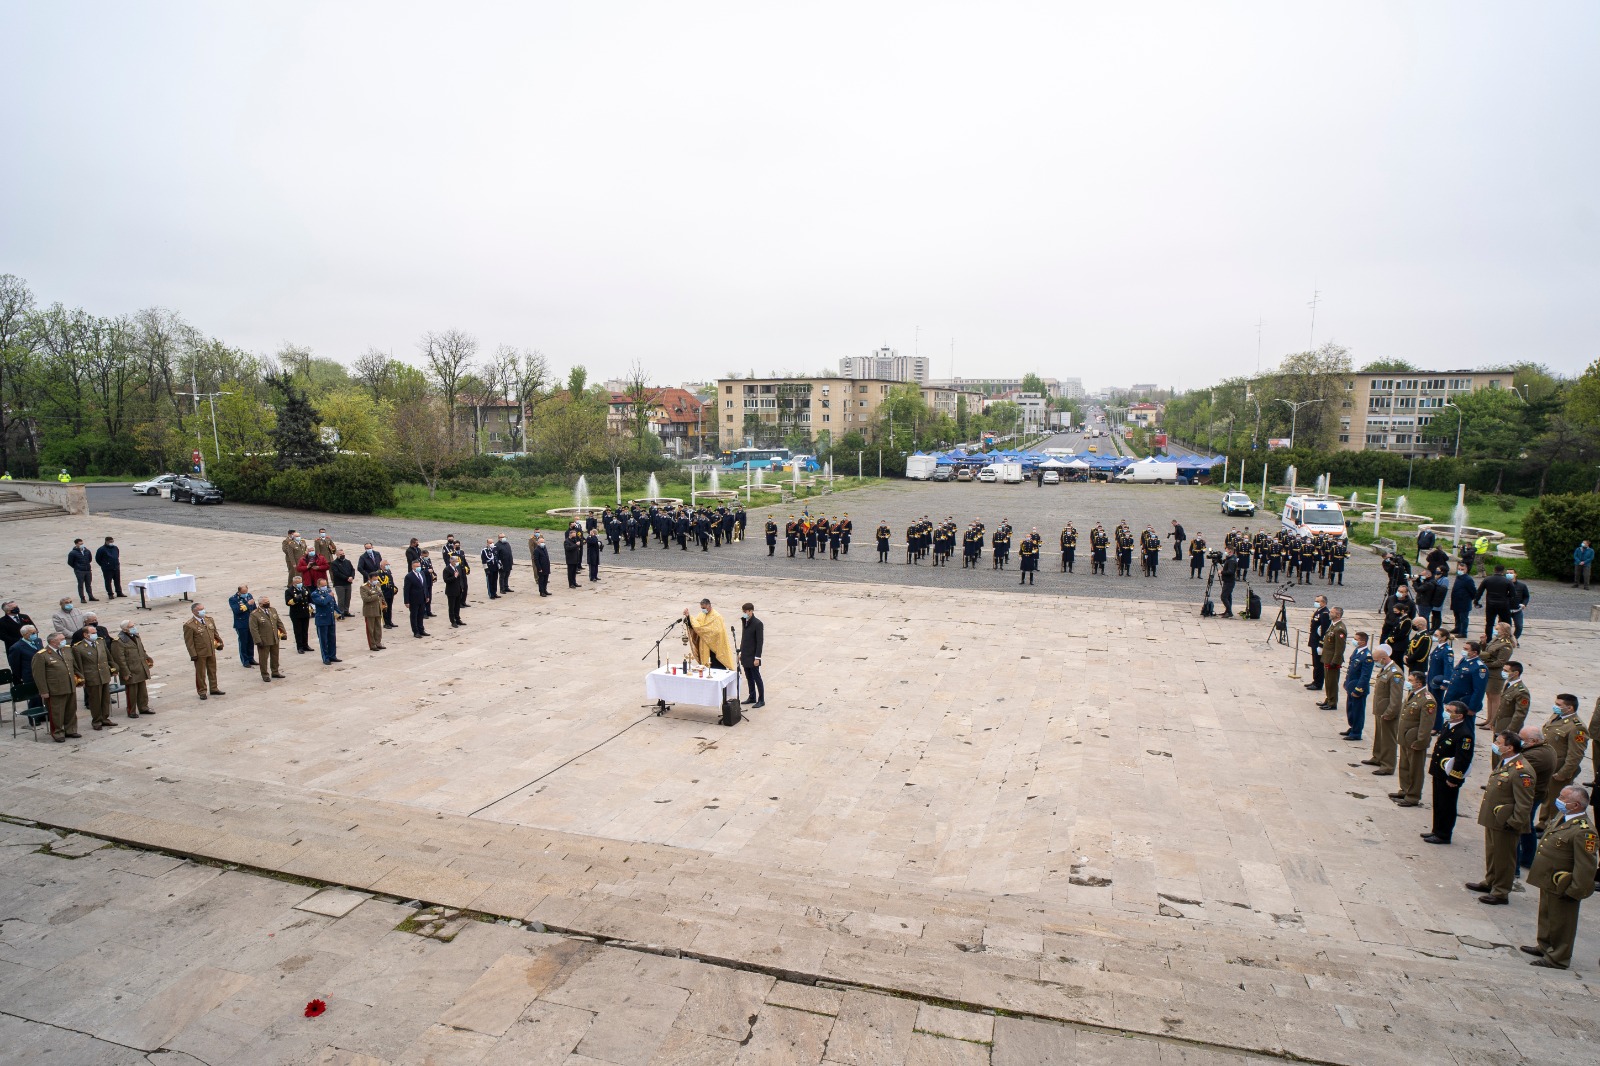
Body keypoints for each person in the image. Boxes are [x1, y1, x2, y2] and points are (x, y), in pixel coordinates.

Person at [1523, 785, 1597, 969]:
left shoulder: (1584, 831)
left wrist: (1575, 890)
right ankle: (1545, 945)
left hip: (1565, 884)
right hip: (1550, 878)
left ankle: (1558, 957)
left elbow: (1586, 865)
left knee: (1562, 921)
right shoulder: (1563, 817)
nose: (1559, 800)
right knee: (1547, 913)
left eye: (1563, 798)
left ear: (1575, 805)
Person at [1468, 732, 1535, 905]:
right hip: (1494, 819)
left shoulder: (1522, 770)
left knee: (1504, 857)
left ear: (1510, 747)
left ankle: (1501, 892)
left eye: (1499, 742)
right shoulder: (1506, 762)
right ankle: (1490, 881)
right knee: (1493, 853)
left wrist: (1514, 823)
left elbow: (1524, 803)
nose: (1495, 744)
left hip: (1507, 822)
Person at [1422, 701, 1475, 844]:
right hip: (1439, 771)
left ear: (1459, 715)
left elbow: (1462, 759)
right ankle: (1436, 829)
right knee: (1438, 802)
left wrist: (1454, 778)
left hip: (1450, 775)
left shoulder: (1464, 734)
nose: (1446, 712)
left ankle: (1444, 834)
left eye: (1450, 711)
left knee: (1447, 805)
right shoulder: (1448, 725)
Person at [1541, 694, 1588, 826]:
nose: (1555, 707)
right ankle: (1543, 822)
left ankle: (1553, 825)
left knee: (1558, 800)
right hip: (1550, 765)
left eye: (1559, 705)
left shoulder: (1577, 728)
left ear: (1570, 708)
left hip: (1560, 768)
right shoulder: (1557, 717)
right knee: (1547, 796)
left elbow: (1576, 754)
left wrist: (1564, 773)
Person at [1392, 670, 1436, 806]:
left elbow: (1426, 724)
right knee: (1405, 766)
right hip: (1406, 738)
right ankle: (1405, 790)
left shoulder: (1427, 700)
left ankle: (1413, 796)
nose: (1408, 682)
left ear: (1419, 683)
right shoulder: (1413, 694)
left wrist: (1420, 741)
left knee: (1415, 769)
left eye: (1411, 680)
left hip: (1415, 740)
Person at [33, 632, 80, 741]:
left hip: (69, 686)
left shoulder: (66, 650)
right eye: (61, 639)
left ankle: (71, 730)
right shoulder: (41, 655)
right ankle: (57, 732)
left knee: (71, 710)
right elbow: (39, 676)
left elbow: (73, 666)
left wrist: (79, 678)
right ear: (53, 642)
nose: (64, 640)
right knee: (56, 713)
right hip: (55, 689)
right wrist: (43, 691)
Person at [1358, 643, 1399, 765]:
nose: (1375, 663)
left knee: (1388, 739)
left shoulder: (1395, 673)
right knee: (1379, 736)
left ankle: (1387, 764)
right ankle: (1377, 757)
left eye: (1376, 660)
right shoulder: (1385, 669)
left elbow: (1396, 697)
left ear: (1383, 658)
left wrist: (1390, 712)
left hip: (1387, 711)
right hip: (1380, 709)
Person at [71, 623, 113, 730]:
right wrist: (82, 678)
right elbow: (79, 666)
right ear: (86, 635)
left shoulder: (100, 642)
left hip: (104, 674)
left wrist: (113, 667)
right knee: (95, 700)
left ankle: (105, 718)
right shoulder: (78, 648)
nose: (96, 634)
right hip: (92, 677)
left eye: (95, 633)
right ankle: (97, 720)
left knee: (105, 699)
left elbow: (108, 656)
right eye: (93, 633)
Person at [109, 620, 153, 717]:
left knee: (143, 691)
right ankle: (131, 711)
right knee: (132, 692)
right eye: (131, 626)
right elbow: (119, 659)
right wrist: (125, 672)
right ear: (125, 629)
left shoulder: (136, 636)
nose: (134, 628)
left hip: (140, 667)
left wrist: (147, 658)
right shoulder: (119, 641)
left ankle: (143, 707)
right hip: (130, 669)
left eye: (133, 626)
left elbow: (141, 649)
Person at [181, 602, 225, 700]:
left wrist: (220, 643)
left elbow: (215, 634)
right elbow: (189, 642)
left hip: (211, 650)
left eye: (203, 609)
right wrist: (193, 654)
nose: (203, 611)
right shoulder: (189, 625)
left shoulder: (209, 620)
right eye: (200, 610)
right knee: (201, 673)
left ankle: (214, 688)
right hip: (200, 653)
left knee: (212, 670)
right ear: (194, 611)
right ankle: (202, 691)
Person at [683, 598, 734, 669]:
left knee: (717, 668)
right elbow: (696, 626)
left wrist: (705, 632)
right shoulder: (702, 614)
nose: (703, 610)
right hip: (704, 645)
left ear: (709, 606)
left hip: (715, 647)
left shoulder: (717, 617)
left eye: (704, 608)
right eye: (701, 608)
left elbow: (718, 631)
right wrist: (688, 617)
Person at [1480, 622, 1515, 723]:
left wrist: (1484, 665)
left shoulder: (1506, 645)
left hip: (1496, 674)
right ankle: (1489, 719)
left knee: (1495, 697)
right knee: (1489, 696)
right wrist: (1483, 643)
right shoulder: (1496, 640)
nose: (1495, 630)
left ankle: (1493, 721)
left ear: (1504, 631)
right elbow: (1487, 652)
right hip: (1489, 672)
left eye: (1497, 629)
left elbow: (1500, 662)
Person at [1340, 632, 1372, 742]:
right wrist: (1346, 682)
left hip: (1358, 688)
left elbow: (1365, 676)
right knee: (1351, 708)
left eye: (1356, 639)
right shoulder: (1357, 651)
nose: (1354, 640)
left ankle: (1356, 732)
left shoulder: (1367, 656)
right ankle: (1352, 727)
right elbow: (1351, 669)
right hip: (1351, 685)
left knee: (1358, 711)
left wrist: (1358, 690)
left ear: (1363, 642)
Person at [248, 596, 287, 682]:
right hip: (264, 640)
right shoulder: (254, 614)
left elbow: (278, 622)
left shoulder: (272, 610)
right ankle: (265, 674)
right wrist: (257, 640)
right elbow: (253, 629)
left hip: (274, 638)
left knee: (275, 656)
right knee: (263, 658)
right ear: (260, 604)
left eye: (268, 601)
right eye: (266, 602)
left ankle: (275, 671)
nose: (268, 603)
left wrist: (283, 633)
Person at [7, 624, 44, 712]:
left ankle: (43, 714)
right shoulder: (16, 647)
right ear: (25, 634)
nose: (35, 634)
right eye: (33, 633)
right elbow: (15, 665)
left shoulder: (38, 641)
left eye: (36, 632)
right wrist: (21, 676)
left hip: (41, 672)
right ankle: (35, 717)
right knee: (34, 697)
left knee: (42, 694)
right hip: (29, 674)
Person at [1316, 607, 1347, 709]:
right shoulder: (1333, 625)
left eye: (1332, 612)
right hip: (1327, 658)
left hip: (1332, 660)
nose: (1330, 613)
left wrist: (1335, 661)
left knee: (1332, 682)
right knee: (1328, 681)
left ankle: (1332, 702)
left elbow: (1340, 648)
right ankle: (1329, 698)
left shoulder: (1339, 629)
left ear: (1338, 615)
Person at [1476, 565, 1515, 640]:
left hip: (1490, 604)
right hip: (1503, 604)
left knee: (1489, 623)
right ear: (1503, 571)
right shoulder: (1507, 581)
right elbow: (1513, 594)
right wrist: (1507, 598)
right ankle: (1506, 638)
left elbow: (1479, 591)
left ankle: (1488, 639)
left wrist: (1476, 601)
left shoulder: (1487, 579)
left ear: (1494, 570)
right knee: (1506, 623)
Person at [739, 602, 764, 709]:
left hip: (753, 656)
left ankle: (761, 699)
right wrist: (741, 652)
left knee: (756, 677)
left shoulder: (758, 623)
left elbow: (760, 642)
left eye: (745, 612)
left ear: (751, 611)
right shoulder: (745, 621)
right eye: (743, 612)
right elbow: (743, 638)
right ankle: (752, 696)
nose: (744, 614)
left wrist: (757, 657)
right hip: (745, 654)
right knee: (749, 677)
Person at [310, 579, 341, 663]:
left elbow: (333, 604)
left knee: (332, 638)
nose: (325, 587)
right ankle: (326, 658)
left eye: (326, 585)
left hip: (330, 618)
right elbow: (322, 602)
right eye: (323, 585)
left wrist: (338, 612)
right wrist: (329, 596)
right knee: (324, 640)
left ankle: (332, 655)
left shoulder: (329, 591)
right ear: (318, 586)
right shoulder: (315, 594)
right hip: (322, 619)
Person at [228, 585, 257, 669]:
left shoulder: (249, 596)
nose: (245, 594)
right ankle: (245, 660)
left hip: (251, 622)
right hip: (241, 623)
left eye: (246, 592)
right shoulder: (233, 599)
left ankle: (251, 658)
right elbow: (237, 610)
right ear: (239, 592)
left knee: (251, 641)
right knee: (243, 642)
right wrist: (247, 604)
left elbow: (254, 608)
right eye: (243, 593)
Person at [1305, 596, 1330, 691]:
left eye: (1317, 601)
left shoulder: (1324, 613)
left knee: (1318, 664)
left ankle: (1318, 683)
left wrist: (1321, 644)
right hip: (1314, 640)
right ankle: (1315, 680)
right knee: (1315, 662)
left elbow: (1324, 630)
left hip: (1318, 641)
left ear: (1323, 602)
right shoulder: (1319, 611)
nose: (1315, 602)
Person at [285, 575, 313, 654]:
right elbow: (288, 602)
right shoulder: (289, 591)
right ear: (294, 583)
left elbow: (310, 599)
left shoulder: (305, 588)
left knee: (305, 630)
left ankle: (305, 645)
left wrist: (311, 607)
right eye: (298, 583)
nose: (300, 584)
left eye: (301, 582)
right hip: (296, 614)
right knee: (298, 631)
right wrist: (296, 599)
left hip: (305, 613)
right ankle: (299, 647)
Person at [359, 574, 387, 650]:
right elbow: (366, 599)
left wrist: (384, 604)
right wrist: (376, 596)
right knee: (370, 629)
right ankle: (372, 644)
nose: (376, 581)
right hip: (370, 610)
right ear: (370, 579)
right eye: (374, 579)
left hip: (378, 609)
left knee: (378, 627)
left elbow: (381, 595)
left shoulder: (377, 584)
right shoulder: (364, 587)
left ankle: (378, 642)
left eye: (376, 579)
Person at [403, 560, 429, 638]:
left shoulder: (422, 573)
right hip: (413, 599)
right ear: (412, 567)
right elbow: (406, 589)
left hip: (422, 598)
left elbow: (424, 586)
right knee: (414, 615)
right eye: (416, 566)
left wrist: (426, 596)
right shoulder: (409, 576)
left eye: (419, 566)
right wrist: (406, 601)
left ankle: (421, 629)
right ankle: (416, 631)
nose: (418, 568)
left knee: (421, 615)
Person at [1449, 562, 1476, 636]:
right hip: (1456, 601)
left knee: (1463, 618)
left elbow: (1473, 591)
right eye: (1459, 569)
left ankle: (1463, 632)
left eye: (1462, 569)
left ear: (1466, 570)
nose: (1460, 570)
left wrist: (1469, 598)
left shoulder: (1468, 579)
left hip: (1464, 602)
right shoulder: (1458, 577)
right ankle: (1457, 628)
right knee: (1457, 616)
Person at [442, 552, 467, 628]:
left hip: (458, 590)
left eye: (457, 561)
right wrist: (454, 577)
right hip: (451, 591)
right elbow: (446, 580)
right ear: (451, 561)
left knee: (457, 606)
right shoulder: (447, 569)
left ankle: (458, 619)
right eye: (455, 561)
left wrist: (461, 587)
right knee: (452, 607)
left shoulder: (457, 568)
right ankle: (452, 621)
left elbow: (460, 579)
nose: (456, 563)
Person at [329, 550, 356, 619]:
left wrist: (352, 577)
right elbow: (336, 573)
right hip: (339, 584)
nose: (342, 555)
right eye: (340, 554)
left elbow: (352, 570)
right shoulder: (334, 563)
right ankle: (341, 613)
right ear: (337, 555)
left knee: (348, 598)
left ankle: (346, 611)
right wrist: (347, 578)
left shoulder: (347, 561)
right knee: (341, 599)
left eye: (343, 553)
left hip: (348, 583)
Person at [67, 537, 96, 602]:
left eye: (82, 543)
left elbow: (90, 559)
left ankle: (91, 596)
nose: (82, 545)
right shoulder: (73, 553)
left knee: (88, 584)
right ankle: (82, 598)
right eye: (80, 544)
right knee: (80, 584)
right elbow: (70, 562)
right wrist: (77, 567)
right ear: (76, 544)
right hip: (79, 571)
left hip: (87, 570)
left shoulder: (87, 551)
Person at [1506, 568, 1531, 640]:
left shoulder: (1522, 586)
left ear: (1515, 574)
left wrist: (1524, 604)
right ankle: (1506, 640)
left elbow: (1526, 596)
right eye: (1507, 573)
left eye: (1511, 573)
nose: (1509, 575)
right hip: (1505, 609)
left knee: (1519, 626)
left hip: (1517, 609)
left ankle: (1514, 639)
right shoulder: (1503, 584)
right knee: (1505, 627)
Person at [1218, 546, 1239, 618]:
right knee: (1228, 596)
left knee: (1223, 597)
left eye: (1226, 551)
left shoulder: (1232, 560)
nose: (1225, 552)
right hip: (1227, 580)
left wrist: (1222, 572)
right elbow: (1223, 562)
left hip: (1229, 581)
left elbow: (1230, 571)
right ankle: (1227, 611)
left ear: (1230, 551)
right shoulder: (1229, 558)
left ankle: (1229, 612)